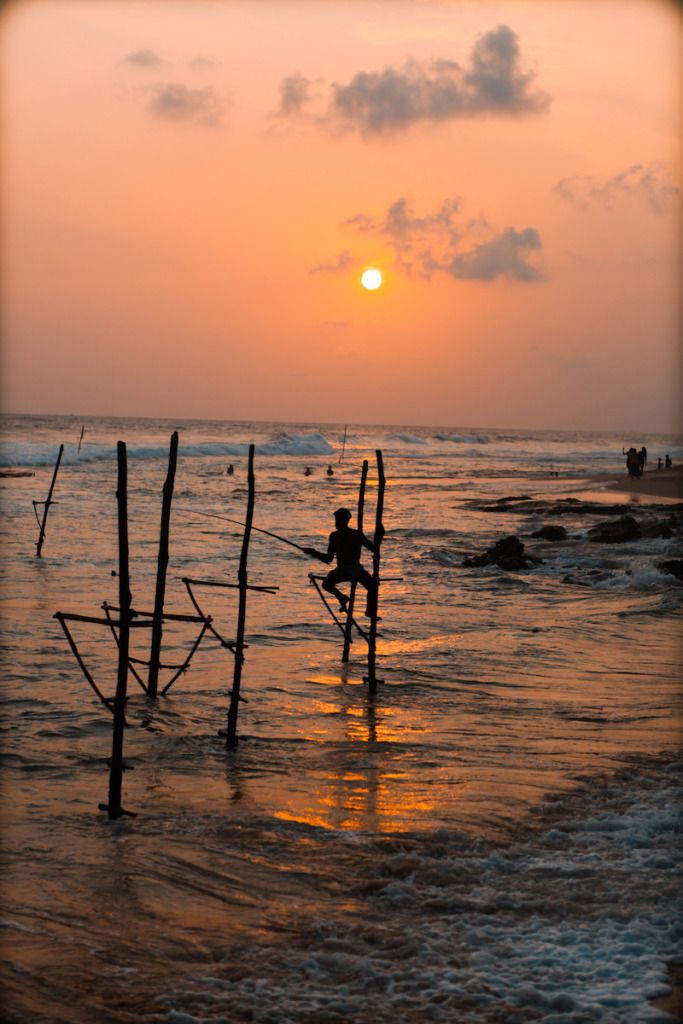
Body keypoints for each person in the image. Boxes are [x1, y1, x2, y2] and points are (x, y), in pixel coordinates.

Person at [304, 507, 384, 618]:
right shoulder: (334, 536)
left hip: (355, 569)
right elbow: (328, 559)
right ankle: (341, 597)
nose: (337, 522)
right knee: (326, 584)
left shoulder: (356, 534)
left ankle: (369, 612)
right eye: (336, 519)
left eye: (339, 519)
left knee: (372, 586)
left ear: (346, 520)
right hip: (343, 570)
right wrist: (313, 552)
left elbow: (373, 549)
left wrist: (379, 537)